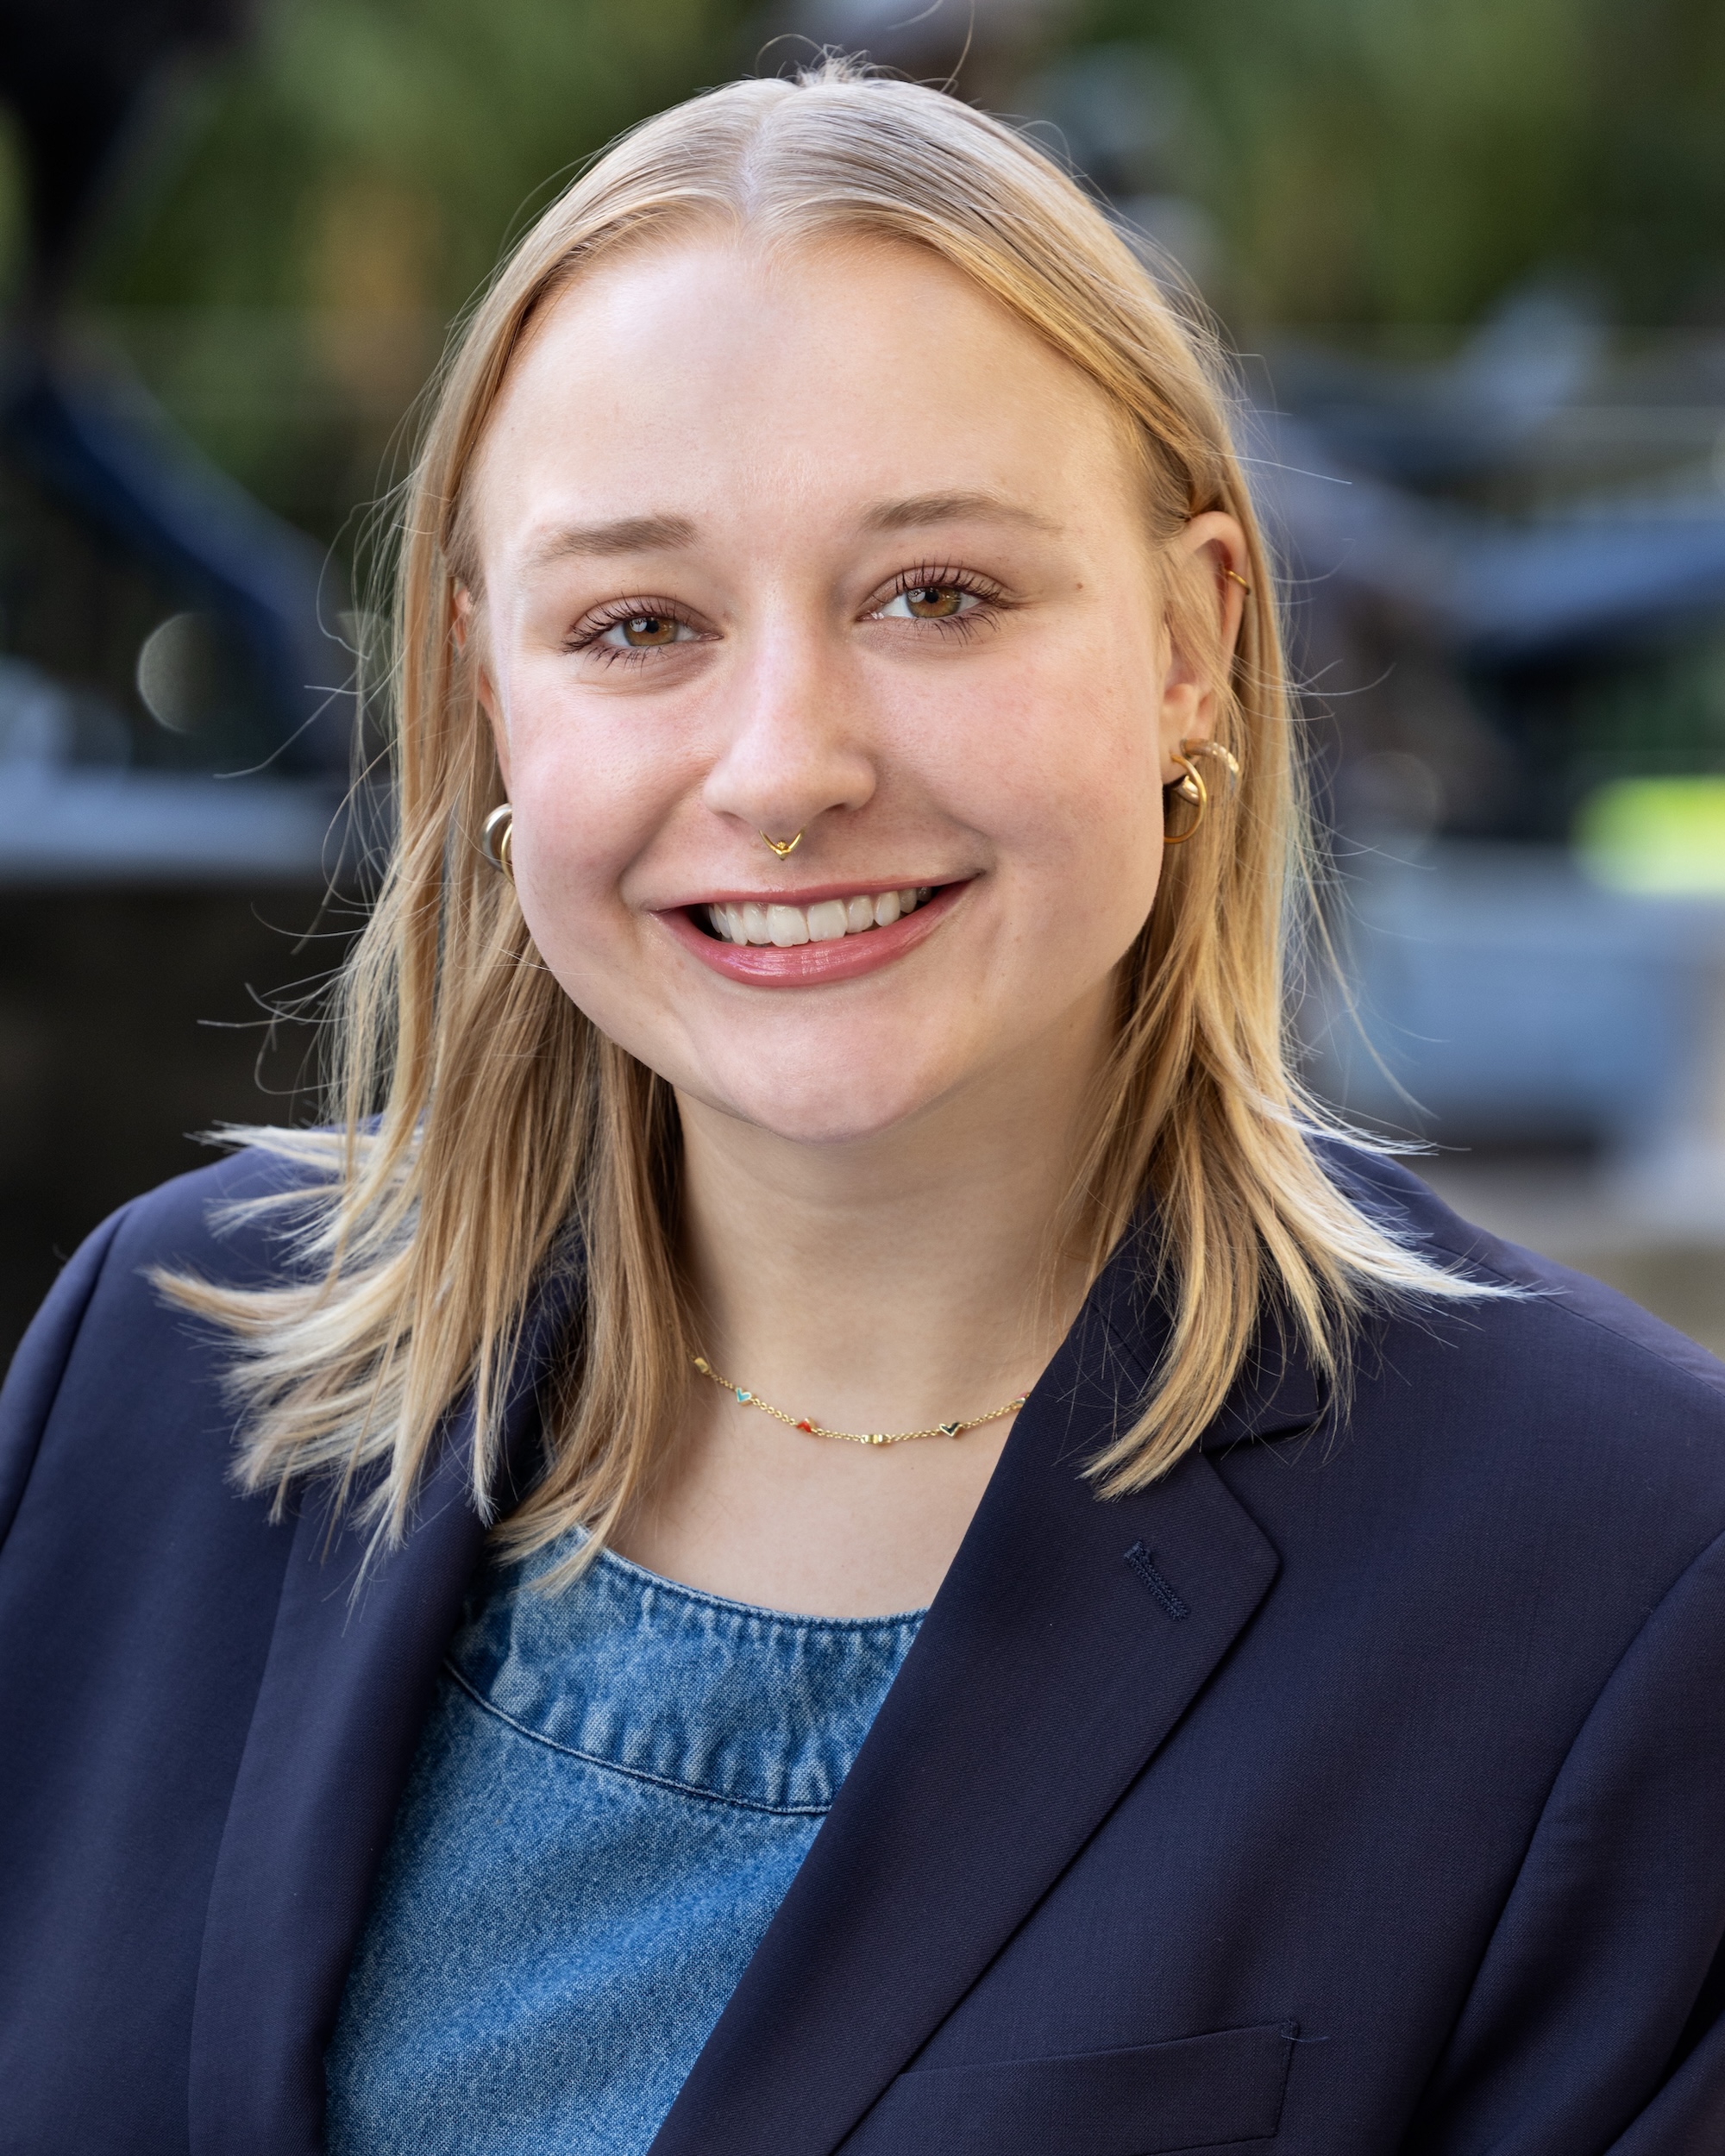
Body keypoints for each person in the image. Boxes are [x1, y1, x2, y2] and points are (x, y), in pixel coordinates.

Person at [3, 60, 1723, 2156]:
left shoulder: (1627, 1575)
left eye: (939, 595)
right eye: (638, 623)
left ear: (1193, 643)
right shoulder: (152, 1364)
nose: (784, 765)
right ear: (485, 693)